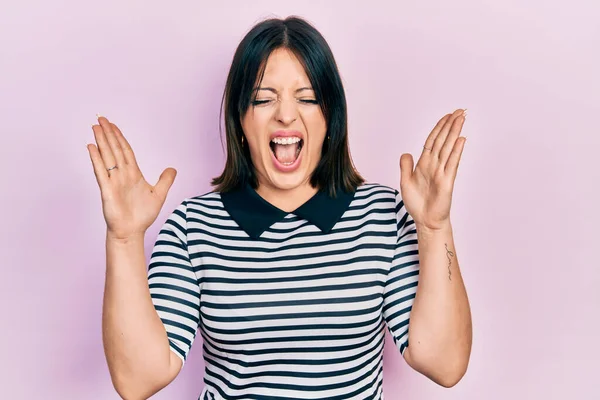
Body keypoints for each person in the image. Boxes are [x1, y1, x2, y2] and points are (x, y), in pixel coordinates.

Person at [87, 15, 472, 400]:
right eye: (263, 99)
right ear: (240, 120)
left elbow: (444, 363)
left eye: (306, 98)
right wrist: (124, 238)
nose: (286, 114)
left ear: (330, 119)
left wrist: (435, 229)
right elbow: (138, 379)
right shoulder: (192, 227)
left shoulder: (383, 217)